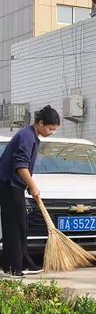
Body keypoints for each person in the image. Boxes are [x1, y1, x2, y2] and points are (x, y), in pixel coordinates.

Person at [0, 105, 60, 278]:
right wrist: (32, 185)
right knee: (14, 226)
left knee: (21, 225)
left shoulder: (32, 136)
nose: (51, 132)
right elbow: (20, 165)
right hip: (8, 185)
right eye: (50, 128)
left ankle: (23, 262)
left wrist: (28, 184)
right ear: (40, 123)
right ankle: (12, 268)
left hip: (16, 185)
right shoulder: (27, 136)